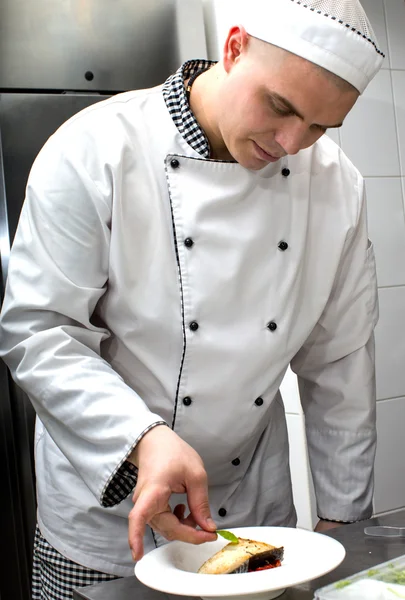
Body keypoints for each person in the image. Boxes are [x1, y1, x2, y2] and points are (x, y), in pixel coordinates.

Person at [0, 0, 384, 598]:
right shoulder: (96, 149)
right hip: (108, 518)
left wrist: (343, 519)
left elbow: (339, 364)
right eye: (280, 107)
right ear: (233, 47)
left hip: (253, 510)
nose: (291, 142)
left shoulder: (337, 186)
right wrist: (142, 439)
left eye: (318, 126)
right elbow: (40, 331)